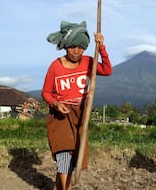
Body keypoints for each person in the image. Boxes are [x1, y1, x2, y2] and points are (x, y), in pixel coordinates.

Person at [42, 21, 112, 190]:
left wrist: (101, 47)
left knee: (74, 158)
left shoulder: (89, 62)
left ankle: (61, 187)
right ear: (66, 47)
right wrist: (56, 103)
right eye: (73, 47)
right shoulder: (56, 66)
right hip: (61, 116)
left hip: (81, 116)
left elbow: (107, 70)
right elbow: (45, 92)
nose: (76, 51)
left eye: (80, 47)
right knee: (63, 157)